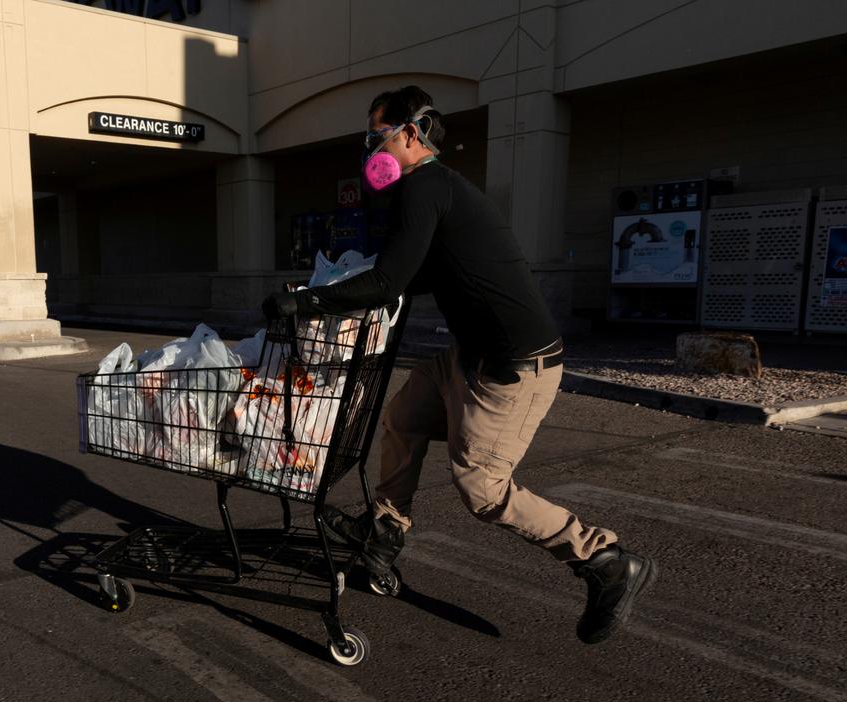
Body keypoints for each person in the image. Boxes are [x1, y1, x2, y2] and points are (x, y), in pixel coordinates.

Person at [262, 86, 656, 644]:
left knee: (484, 490)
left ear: (410, 134)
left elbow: (388, 281)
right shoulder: (436, 190)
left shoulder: (425, 188)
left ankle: (606, 561)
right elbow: (422, 274)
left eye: (376, 136)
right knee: (403, 417)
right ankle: (383, 532)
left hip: (513, 366)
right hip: (469, 354)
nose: (370, 148)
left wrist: (305, 301)